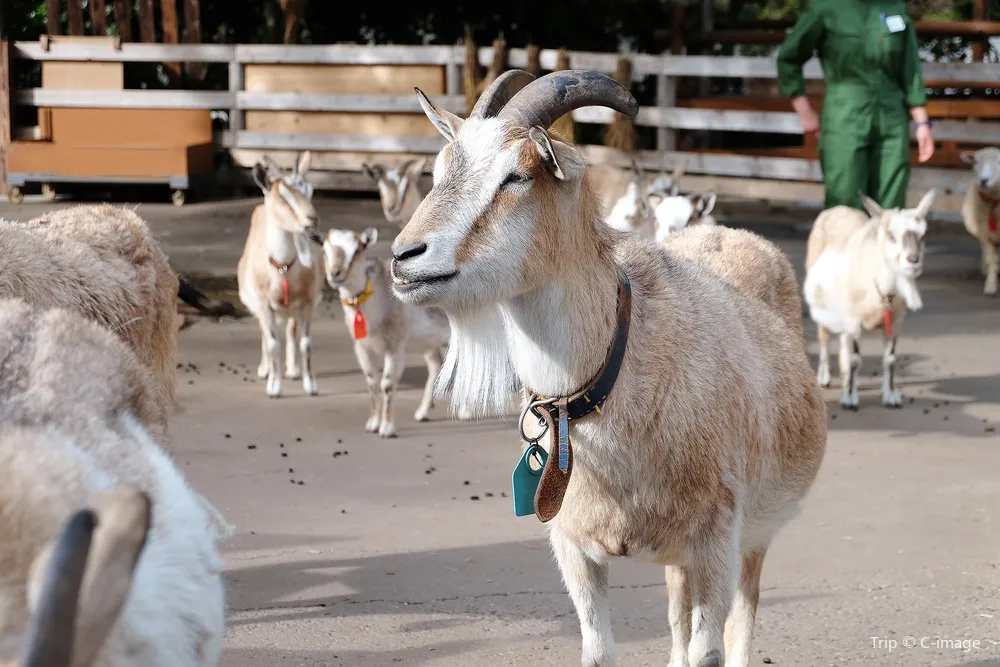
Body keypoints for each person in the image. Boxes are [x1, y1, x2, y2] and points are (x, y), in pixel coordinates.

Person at [777, 0, 935, 211]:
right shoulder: (826, 8)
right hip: (845, 115)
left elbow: (911, 69)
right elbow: (789, 58)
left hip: (892, 118)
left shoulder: (894, 8)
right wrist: (803, 108)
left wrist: (922, 123)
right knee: (845, 203)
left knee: (890, 207)